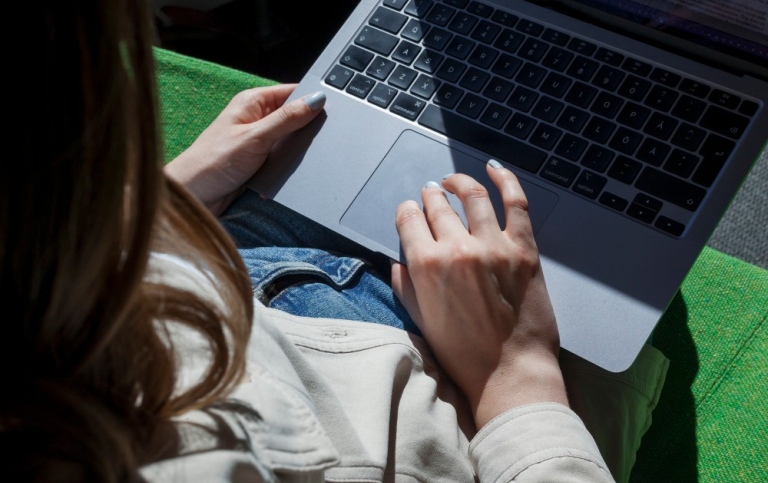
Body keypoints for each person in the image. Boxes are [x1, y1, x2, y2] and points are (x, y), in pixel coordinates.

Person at [2, 1, 669, 482]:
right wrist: (515, 376)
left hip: (190, 284)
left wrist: (161, 208)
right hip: (427, 398)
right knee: (618, 277)